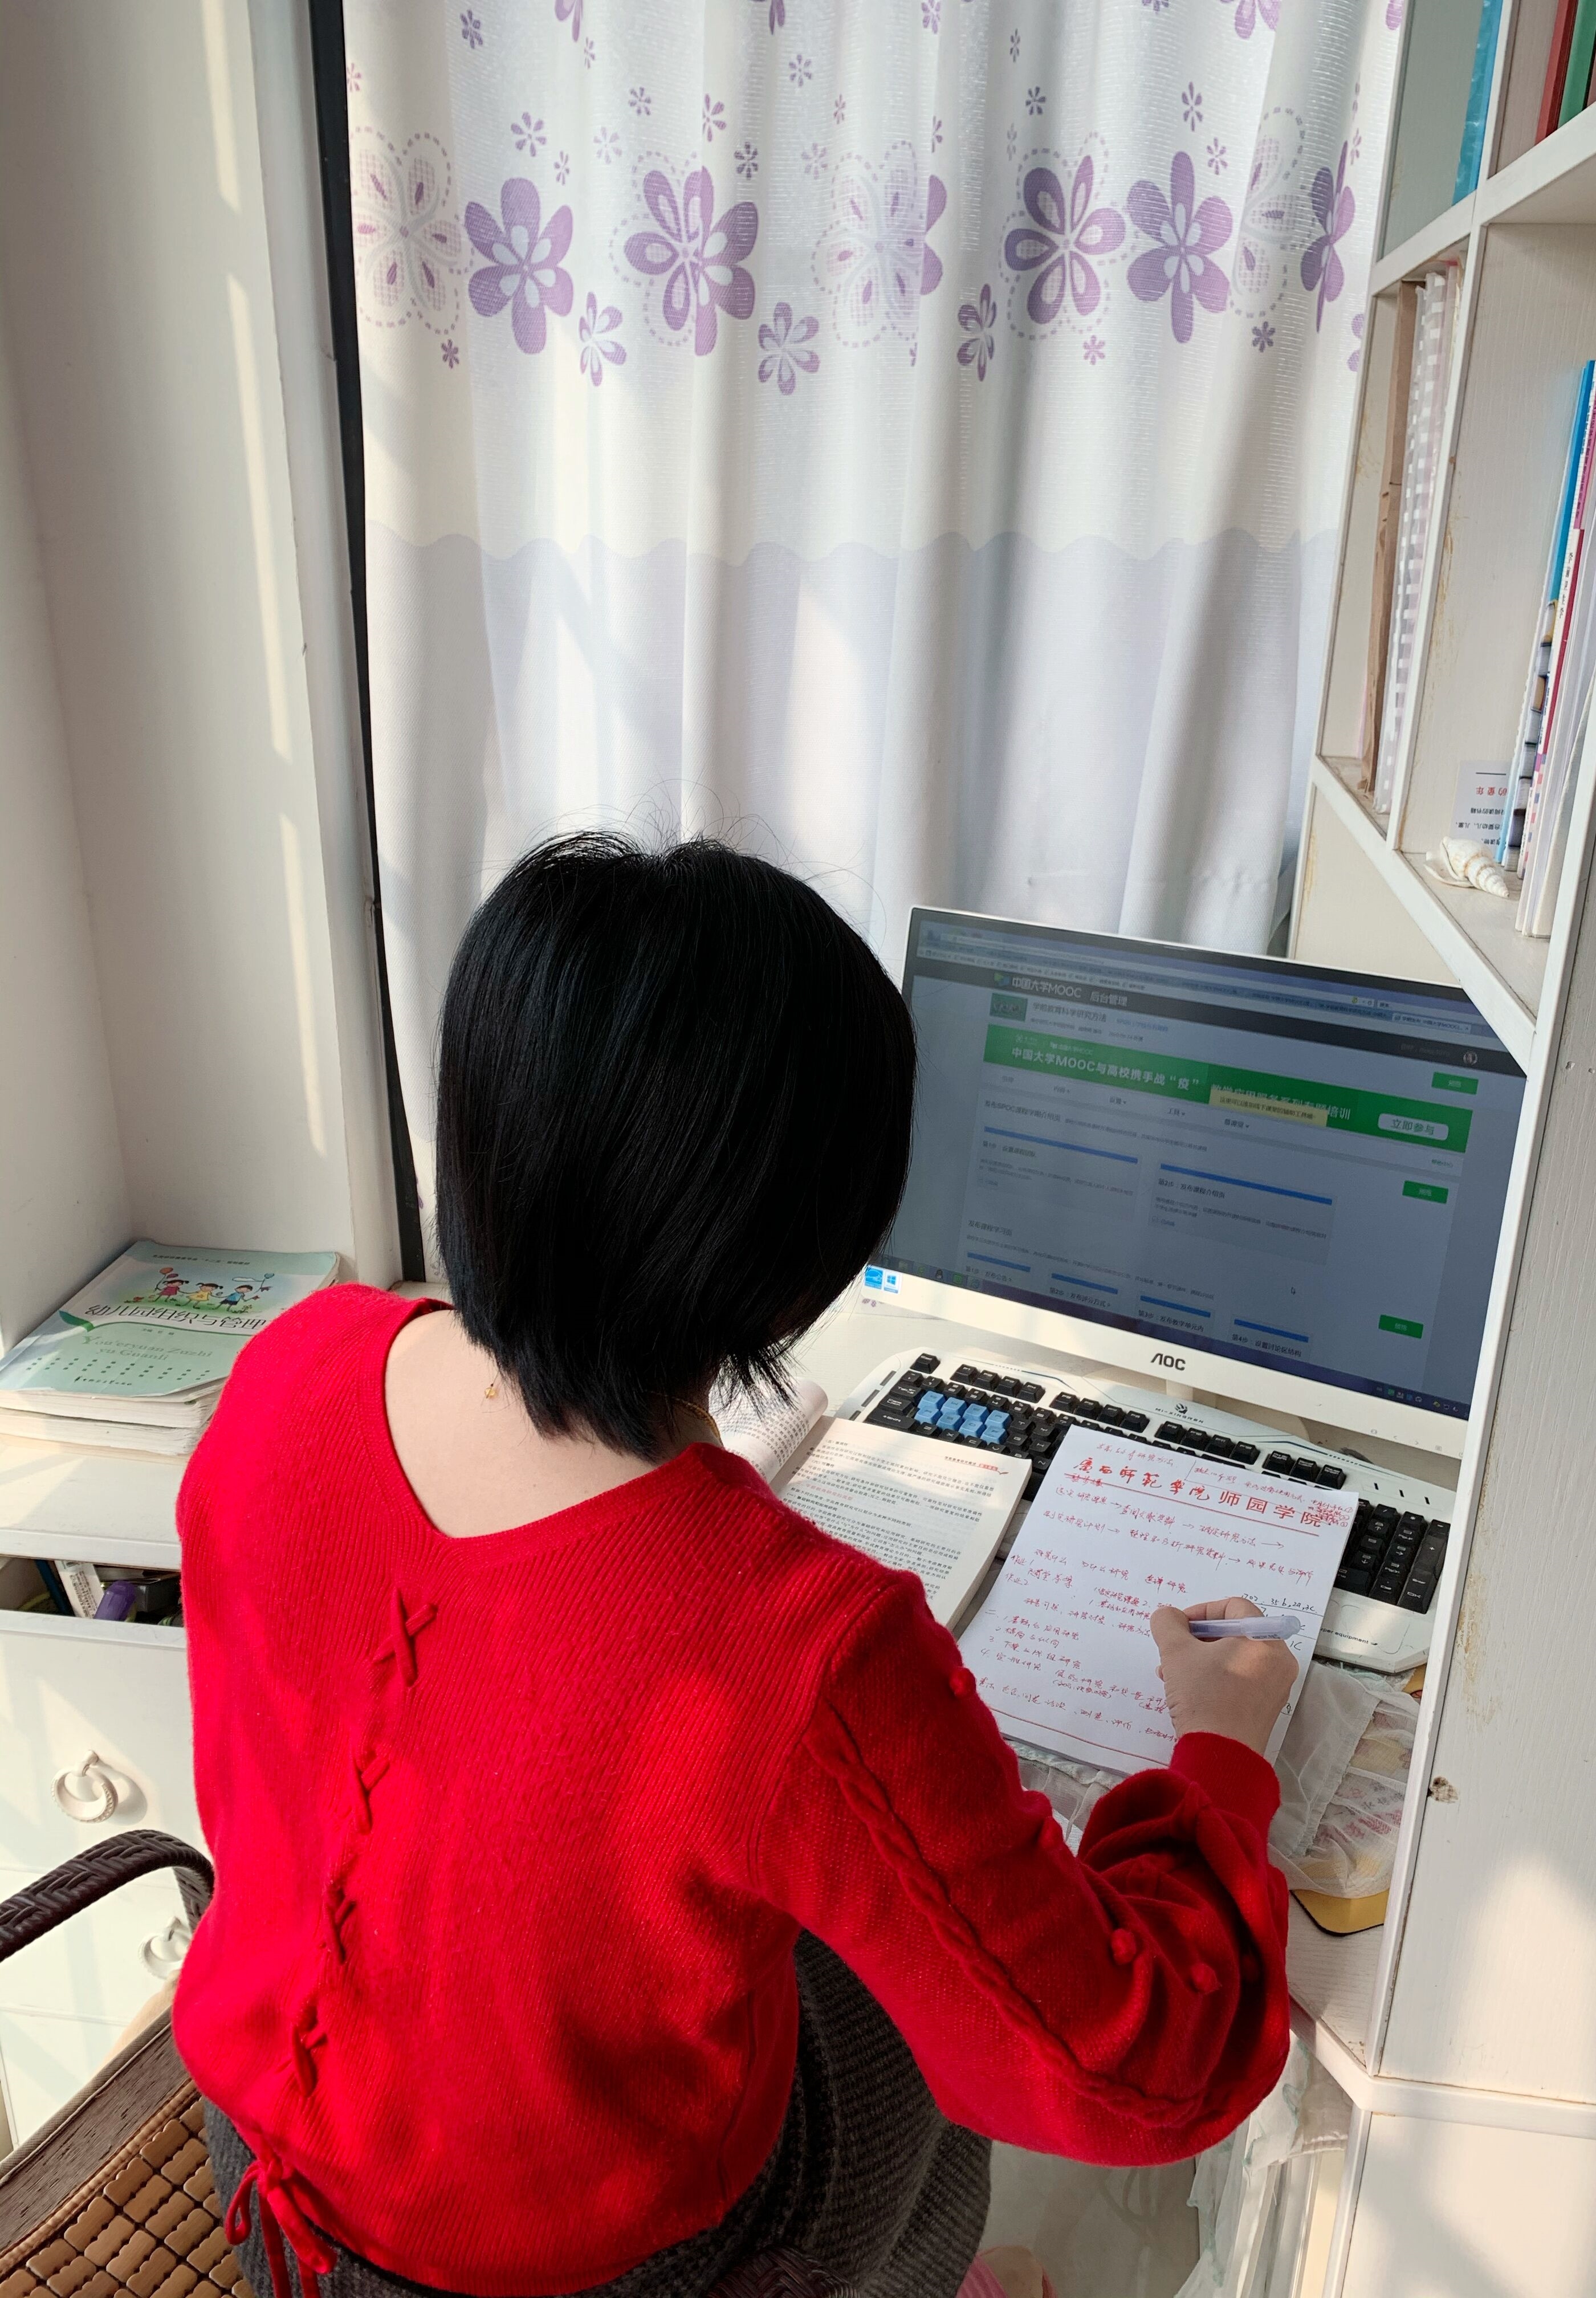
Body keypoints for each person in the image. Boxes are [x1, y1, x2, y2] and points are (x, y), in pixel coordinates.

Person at [174, 834, 1297, 2298]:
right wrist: (1222, 1757)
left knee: (812, 1913)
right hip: (591, 2267)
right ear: (793, 1266)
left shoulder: (293, 1366)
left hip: (263, 2157)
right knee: (931, 2029)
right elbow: (1132, 2074)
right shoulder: (798, 1644)